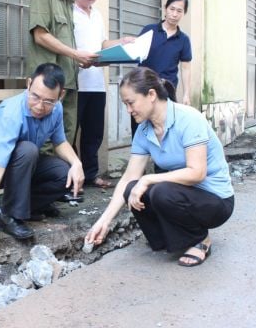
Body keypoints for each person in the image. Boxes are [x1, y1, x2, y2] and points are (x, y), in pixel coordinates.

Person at [86, 67, 234, 267]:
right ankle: (168, 239)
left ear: (151, 95)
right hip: (183, 194)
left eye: (131, 103)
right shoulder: (144, 131)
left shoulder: (188, 119)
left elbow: (197, 173)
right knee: (132, 189)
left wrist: (147, 179)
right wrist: (104, 221)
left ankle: (200, 239)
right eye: (125, 105)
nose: (129, 110)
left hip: (215, 201)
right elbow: (129, 178)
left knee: (159, 190)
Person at [0, 63, 85, 252]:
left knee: (64, 173)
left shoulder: (56, 109)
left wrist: (76, 163)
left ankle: (28, 207)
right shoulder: (11, 113)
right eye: (35, 97)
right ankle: (9, 216)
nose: (39, 106)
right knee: (28, 150)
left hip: (25, 162)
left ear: (60, 96)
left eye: (48, 101)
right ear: (28, 84)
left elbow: (60, 142)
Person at [26, 0, 99, 149]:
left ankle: (62, 179)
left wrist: (80, 60)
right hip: (47, 84)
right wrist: (76, 54)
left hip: (68, 81)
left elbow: (66, 40)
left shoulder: (69, 2)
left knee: (65, 137)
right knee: (45, 140)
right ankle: (44, 179)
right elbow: (40, 36)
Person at [73, 0, 136, 189]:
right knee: (70, 133)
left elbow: (102, 45)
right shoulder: (68, 12)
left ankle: (90, 175)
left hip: (96, 84)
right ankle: (72, 178)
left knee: (93, 133)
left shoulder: (97, 15)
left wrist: (122, 42)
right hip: (75, 84)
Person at [131, 0, 192, 138]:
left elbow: (185, 68)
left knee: (163, 130)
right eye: (172, 9)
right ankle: (139, 157)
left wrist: (186, 94)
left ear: (184, 13)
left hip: (166, 91)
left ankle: (161, 160)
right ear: (165, 8)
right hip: (143, 88)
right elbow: (135, 54)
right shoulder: (149, 31)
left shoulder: (183, 40)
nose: (174, 14)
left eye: (179, 11)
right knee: (139, 129)